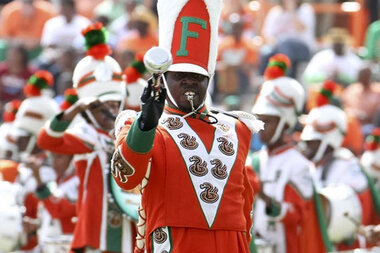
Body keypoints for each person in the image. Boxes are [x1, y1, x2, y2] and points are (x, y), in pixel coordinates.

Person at [111, 0, 263, 252]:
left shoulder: (237, 127)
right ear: (163, 78)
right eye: (180, 76)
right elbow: (125, 178)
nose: (189, 83)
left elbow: (245, 205)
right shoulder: (140, 124)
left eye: (198, 77)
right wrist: (146, 123)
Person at [37, 23, 135, 253]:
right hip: (95, 229)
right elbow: (46, 141)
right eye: (103, 107)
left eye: (114, 104)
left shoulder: (127, 134)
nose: (110, 111)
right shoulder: (85, 137)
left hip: (129, 225)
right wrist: (75, 108)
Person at [248, 54, 321, 253]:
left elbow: (297, 215)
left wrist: (263, 195)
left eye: (268, 121)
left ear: (286, 123)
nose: (261, 127)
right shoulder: (253, 161)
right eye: (259, 119)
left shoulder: (299, 165)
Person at [300, 90, 378, 250]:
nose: (306, 147)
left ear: (329, 141)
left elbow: (348, 220)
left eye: (312, 142)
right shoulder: (310, 166)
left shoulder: (348, 167)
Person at [260, 0, 315, 78]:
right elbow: (267, 34)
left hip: (302, 47)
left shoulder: (305, 9)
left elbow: (301, 28)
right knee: (266, 52)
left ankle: (286, 77)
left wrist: (291, 11)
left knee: (285, 44)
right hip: (278, 46)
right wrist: (274, 42)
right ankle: (265, 80)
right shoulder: (276, 12)